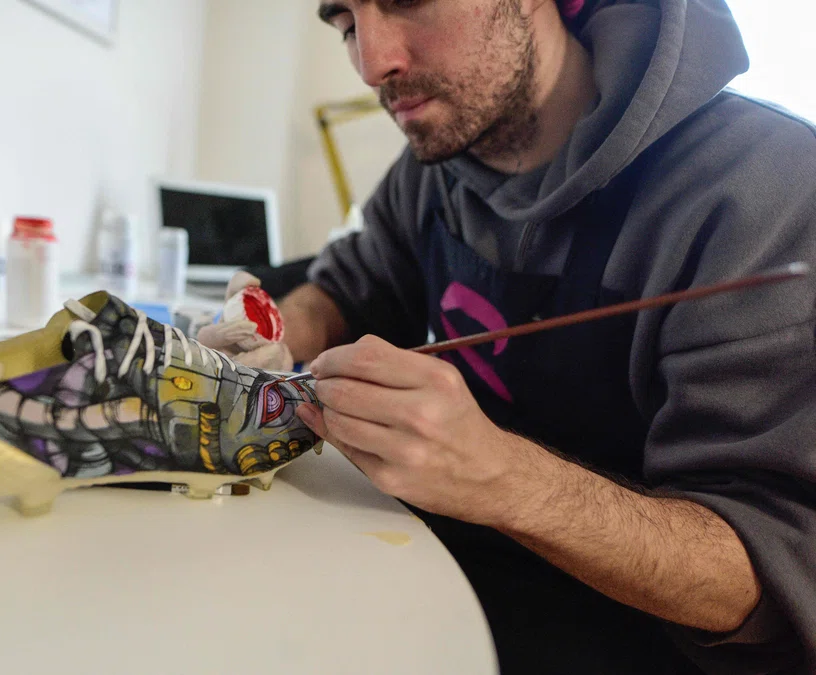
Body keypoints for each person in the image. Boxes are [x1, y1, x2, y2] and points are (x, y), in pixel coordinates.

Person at [200, 1, 816, 672]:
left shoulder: (767, 187)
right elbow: (350, 286)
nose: (374, 63)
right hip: (449, 586)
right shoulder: (438, 162)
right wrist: (275, 332)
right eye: (346, 24)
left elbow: (770, 565)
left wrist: (506, 479)